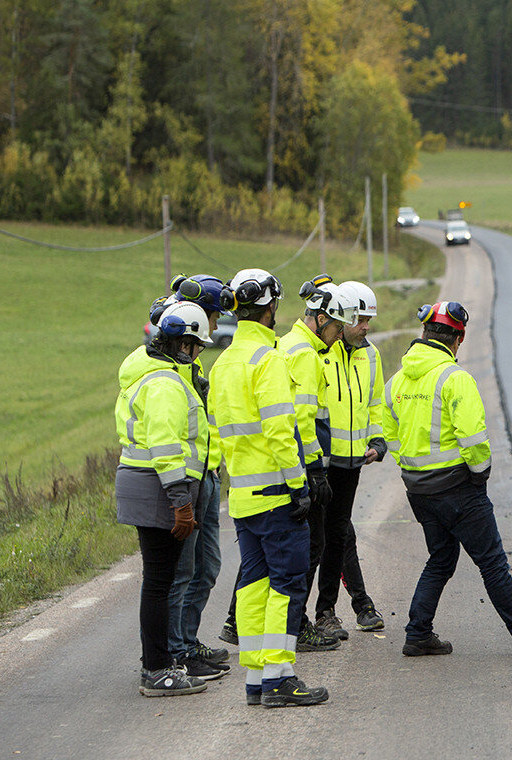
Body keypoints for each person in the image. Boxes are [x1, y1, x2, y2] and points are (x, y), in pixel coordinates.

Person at [383, 301, 512, 656]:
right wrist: (479, 475)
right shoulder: (455, 378)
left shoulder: (395, 381)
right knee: (492, 562)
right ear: (459, 337)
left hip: (419, 489)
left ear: (424, 335)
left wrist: (410, 466)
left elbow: (389, 431)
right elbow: (473, 438)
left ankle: (418, 633)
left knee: (440, 560)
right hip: (457, 488)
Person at [209, 268, 328, 708]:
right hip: (278, 496)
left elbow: (222, 433)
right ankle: (281, 677)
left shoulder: (222, 363)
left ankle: (258, 679)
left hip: (242, 497)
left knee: (254, 586)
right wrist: (300, 485)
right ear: (270, 308)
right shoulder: (269, 359)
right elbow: (281, 429)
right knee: (288, 584)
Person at [115, 301, 213, 697]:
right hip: (157, 489)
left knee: (159, 580)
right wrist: (181, 501)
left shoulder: (155, 374)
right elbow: (166, 448)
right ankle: (156, 670)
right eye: (197, 346)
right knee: (159, 582)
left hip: (147, 487)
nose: (198, 354)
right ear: (184, 345)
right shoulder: (164, 384)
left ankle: (160, 664)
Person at [150, 275, 234, 681]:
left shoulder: (189, 359)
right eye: (214, 318)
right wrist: (181, 493)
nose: (216, 328)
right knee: (182, 573)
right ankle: (177, 652)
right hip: (186, 481)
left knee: (207, 567)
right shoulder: (167, 364)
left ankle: (187, 640)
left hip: (206, 474)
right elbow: (168, 433)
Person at [278, 274, 361, 651]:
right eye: (338, 326)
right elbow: (303, 419)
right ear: (323, 318)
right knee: (308, 547)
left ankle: (241, 622)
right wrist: (315, 470)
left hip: (283, 463)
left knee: (281, 549)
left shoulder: (289, 343)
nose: (340, 335)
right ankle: (296, 625)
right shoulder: (307, 355)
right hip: (299, 465)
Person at [315, 281, 387, 640]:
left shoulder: (370, 354)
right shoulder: (317, 353)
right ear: (340, 317)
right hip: (319, 463)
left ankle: (330, 611)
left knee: (338, 533)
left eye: (368, 319)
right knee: (322, 538)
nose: (366, 326)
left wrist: (377, 439)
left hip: (351, 463)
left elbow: (375, 404)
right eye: (360, 319)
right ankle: (333, 610)